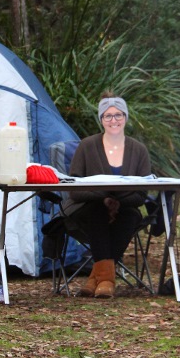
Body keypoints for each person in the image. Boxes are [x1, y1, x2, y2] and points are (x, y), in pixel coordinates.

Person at [62, 92, 151, 298]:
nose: (114, 120)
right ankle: (107, 280)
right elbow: (74, 189)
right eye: (108, 116)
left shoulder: (139, 150)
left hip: (126, 208)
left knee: (130, 216)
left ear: (126, 118)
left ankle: (98, 278)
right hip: (88, 208)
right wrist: (104, 199)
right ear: (101, 119)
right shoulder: (86, 146)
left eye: (118, 115)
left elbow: (142, 193)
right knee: (98, 212)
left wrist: (118, 202)